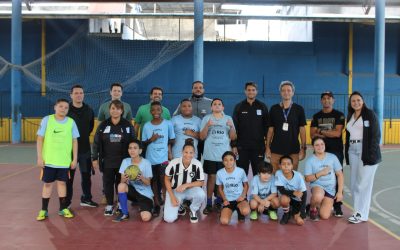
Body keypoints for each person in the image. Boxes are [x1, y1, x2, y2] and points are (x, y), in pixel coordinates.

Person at [36, 99, 79, 221]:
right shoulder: (47, 120)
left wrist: (74, 159)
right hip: (49, 160)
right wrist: (40, 157)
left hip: (64, 161)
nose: (63, 109)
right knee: (48, 184)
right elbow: (40, 139)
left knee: (62, 183)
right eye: (60, 106)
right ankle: (44, 210)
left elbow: (75, 141)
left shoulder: (71, 122)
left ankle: (63, 208)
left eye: (66, 107)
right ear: (55, 107)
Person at [92, 100, 136, 216]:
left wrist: (134, 159)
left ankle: (121, 205)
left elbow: (134, 142)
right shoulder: (103, 125)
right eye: (112, 108)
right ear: (109, 110)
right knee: (108, 183)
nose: (115, 111)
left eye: (117, 109)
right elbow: (96, 142)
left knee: (121, 183)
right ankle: (110, 205)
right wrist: (94, 158)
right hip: (107, 161)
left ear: (122, 111)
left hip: (123, 161)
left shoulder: (127, 125)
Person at [345, 91, 381, 224]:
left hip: (366, 152)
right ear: (350, 103)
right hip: (352, 150)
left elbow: (376, 135)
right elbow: (349, 135)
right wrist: (347, 153)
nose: (356, 102)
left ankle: (360, 213)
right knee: (354, 183)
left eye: (358, 100)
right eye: (353, 101)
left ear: (363, 101)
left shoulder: (369, 114)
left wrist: (371, 154)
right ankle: (358, 212)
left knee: (362, 184)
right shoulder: (351, 115)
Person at [310, 91, 345, 217]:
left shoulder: (339, 115)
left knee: (336, 176)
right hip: (319, 151)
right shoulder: (316, 116)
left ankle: (337, 205)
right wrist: (328, 131)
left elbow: (337, 133)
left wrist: (320, 130)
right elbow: (312, 135)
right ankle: (318, 199)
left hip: (335, 151)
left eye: (329, 98)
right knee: (319, 175)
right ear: (321, 101)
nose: (326, 100)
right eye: (324, 98)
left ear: (333, 100)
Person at [98, 82, 133, 205]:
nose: (116, 92)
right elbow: (100, 128)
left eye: (119, 91)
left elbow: (129, 127)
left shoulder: (127, 106)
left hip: (122, 151)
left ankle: (120, 200)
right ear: (110, 92)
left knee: (121, 178)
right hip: (108, 151)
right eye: (114, 90)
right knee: (107, 179)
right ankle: (107, 197)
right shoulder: (103, 107)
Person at [200, 98, 237, 215]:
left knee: (222, 178)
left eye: (219, 104)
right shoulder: (206, 118)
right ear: (211, 107)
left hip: (224, 156)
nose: (217, 106)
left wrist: (231, 127)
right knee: (211, 177)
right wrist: (207, 125)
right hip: (210, 154)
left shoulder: (228, 118)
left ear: (223, 107)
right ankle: (209, 203)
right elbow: (201, 136)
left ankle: (219, 200)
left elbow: (233, 137)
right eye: (214, 104)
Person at [66, 85, 98, 208]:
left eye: (81, 93)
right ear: (71, 95)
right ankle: (66, 202)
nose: (79, 95)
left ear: (83, 95)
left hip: (84, 150)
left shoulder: (89, 110)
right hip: (69, 151)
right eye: (76, 93)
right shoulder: (66, 110)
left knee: (86, 176)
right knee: (69, 178)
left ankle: (86, 199)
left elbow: (90, 127)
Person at [142, 101, 176, 217]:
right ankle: (156, 204)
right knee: (154, 182)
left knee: (165, 180)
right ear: (150, 112)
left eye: (158, 109)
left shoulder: (168, 124)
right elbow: (143, 143)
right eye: (153, 110)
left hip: (163, 159)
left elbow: (172, 139)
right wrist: (151, 139)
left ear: (162, 111)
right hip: (150, 159)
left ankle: (167, 203)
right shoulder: (146, 125)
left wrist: (168, 150)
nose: (156, 112)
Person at [266, 81, 307, 172]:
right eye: (283, 90)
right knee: (275, 176)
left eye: (289, 90)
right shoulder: (274, 109)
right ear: (280, 93)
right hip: (276, 149)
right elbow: (270, 129)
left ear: (293, 92)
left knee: (292, 176)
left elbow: (302, 130)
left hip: (293, 150)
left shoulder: (299, 109)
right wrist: (267, 147)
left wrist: (303, 148)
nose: (286, 92)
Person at [164, 139, 205, 223]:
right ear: (182, 152)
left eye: (191, 153)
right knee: (169, 219)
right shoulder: (173, 163)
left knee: (201, 194)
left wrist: (186, 185)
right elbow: (166, 179)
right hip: (175, 191)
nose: (188, 155)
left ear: (194, 153)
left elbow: (201, 182)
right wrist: (172, 197)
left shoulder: (197, 164)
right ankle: (180, 206)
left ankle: (193, 210)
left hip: (190, 190)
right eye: (186, 152)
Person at [232, 82, 269, 176]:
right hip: (242, 147)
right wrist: (234, 145)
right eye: (249, 90)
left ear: (256, 92)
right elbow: (234, 128)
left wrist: (268, 146)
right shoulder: (239, 107)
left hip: (258, 147)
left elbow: (267, 127)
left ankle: (257, 191)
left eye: (253, 90)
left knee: (259, 174)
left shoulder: (262, 106)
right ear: (245, 91)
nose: (251, 92)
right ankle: (242, 191)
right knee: (241, 174)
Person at [304, 138, 344, 221]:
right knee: (318, 196)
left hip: (330, 188)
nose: (320, 146)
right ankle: (312, 208)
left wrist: (339, 192)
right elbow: (307, 178)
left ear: (325, 145)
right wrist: (320, 173)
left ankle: (313, 205)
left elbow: (340, 175)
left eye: (322, 144)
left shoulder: (332, 157)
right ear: (313, 147)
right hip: (317, 185)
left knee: (324, 216)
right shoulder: (310, 160)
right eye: (317, 145)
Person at [113, 140, 153, 222]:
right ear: (128, 150)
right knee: (121, 186)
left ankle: (149, 207)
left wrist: (142, 178)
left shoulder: (146, 163)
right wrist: (125, 178)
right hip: (133, 192)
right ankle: (124, 213)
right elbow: (122, 181)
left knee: (145, 218)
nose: (132, 150)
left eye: (135, 148)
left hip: (145, 195)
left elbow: (148, 183)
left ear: (140, 151)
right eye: (130, 148)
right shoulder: (125, 161)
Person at [173, 81, 212, 159]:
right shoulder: (185, 102)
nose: (198, 90)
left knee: (208, 163)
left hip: (207, 139)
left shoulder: (211, 102)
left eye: (200, 88)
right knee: (193, 159)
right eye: (195, 88)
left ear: (203, 90)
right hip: (192, 140)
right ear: (192, 90)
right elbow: (175, 117)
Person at [217, 151, 250, 225]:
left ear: (235, 161)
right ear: (223, 162)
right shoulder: (219, 173)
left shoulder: (240, 171)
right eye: (226, 160)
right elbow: (220, 188)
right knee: (224, 221)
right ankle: (226, 211)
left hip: (239, 199)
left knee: (246, 211)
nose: (228, 162)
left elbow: (246, 185)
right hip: (228, 200)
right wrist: (224, 199)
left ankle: (240, 211)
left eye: (231, 160)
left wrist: (243, 196)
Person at [275, 155, 306, 226]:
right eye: (283, 164)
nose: (286, 166)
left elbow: (304, 193)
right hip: (288, 197)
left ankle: (294, 212)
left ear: (292, 166)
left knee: (299, 220)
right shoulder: (278, 173)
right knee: (284, 199)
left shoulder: (299, 176)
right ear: (279, 166)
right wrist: (293, 192)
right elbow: (281, 190)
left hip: (297, 200)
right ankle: (286, 214)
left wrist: (302, 211)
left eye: (288, 164)